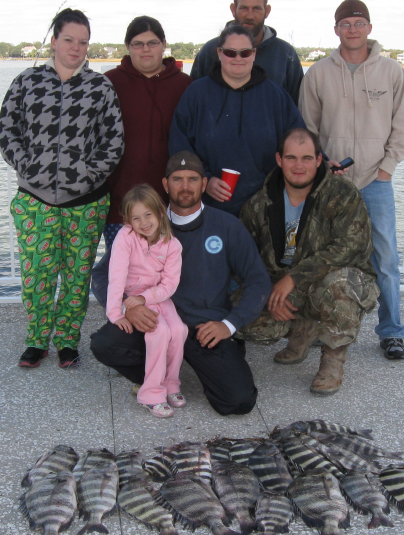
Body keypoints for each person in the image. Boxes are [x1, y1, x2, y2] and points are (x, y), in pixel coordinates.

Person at [90, 151, 271, 416]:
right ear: (165, 184)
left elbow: (258, 280)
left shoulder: (227, 226)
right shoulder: (144, 225)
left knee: (238, 401)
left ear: (204, 184)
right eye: (177, 179)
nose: (185, 186)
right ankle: (157, 379)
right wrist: (127, 307)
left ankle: (200, 367)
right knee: (105, 345)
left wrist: (229, 324)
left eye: (192, 179)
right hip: (153, 320)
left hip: (204, 327)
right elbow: (103, 274)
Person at [0, 8, 123, 369]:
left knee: (77, 274)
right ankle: (37, 340)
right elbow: (8, 131)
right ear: (54, 41)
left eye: (83, 42)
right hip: (35, 201)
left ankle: (68, 340)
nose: (76, 48)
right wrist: (29, 166)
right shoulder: (27, 81)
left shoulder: (100, 88)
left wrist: (86, 176)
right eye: (69, 39)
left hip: (86, 203)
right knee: (37, 274)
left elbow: (113, 143)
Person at [299, 0, 404, 360]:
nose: (352, 29)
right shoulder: (317, 73)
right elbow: (307, 128)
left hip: (376, 182)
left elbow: (403, 125)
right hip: (332, 183)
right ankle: (322, 324)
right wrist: (322, 164)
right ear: (336, 29)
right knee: (324, 255)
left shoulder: (392, 72)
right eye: (346, 23)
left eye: (359, 22)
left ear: (369, 28)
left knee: (386, 258)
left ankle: (391, 331)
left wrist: (386, 168)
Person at [238, 128, 378, 395]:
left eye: (306, 158)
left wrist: (293, 278)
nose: (298, 166)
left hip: (334, 281)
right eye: (291, 158)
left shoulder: (342, 194)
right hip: (285, 287)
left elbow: (350, 247)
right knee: (238, 322)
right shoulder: (258, 204)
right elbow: (245, 261)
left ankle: (333, 360)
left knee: (341, 284)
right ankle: (302, 329)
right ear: (279, 159)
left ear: (318, 160)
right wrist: (268, 292)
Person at [170, 24, 304, 217]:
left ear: (254, 54)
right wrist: (203, 179)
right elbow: (180, 145)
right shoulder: (197, 94)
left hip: (265, 208)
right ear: (219, 53)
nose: (238, 58)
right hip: (210, 208)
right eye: (231, 53)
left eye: (245, 52)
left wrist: (323, 161)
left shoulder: (275, 95)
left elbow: (298, 139)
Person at [102, 16, 193, 249]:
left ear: (163, 44)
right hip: (121, 208)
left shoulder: (185, 86)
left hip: (172, 207)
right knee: (127, 276)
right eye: (138, 44)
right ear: (127, 47)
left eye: (152, 43)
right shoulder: (109, 83)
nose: (145, 49)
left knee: (168, 275)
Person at [107, 185, 187, 419]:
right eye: (136, 218)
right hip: (134, 300)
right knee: (159, 331)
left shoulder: (172, 244)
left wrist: (147, 297)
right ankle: (151, 393)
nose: (143, 222)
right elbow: (116, 275)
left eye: (148, 214)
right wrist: (116, 312)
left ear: (160, 212)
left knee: (179, 330)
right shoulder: (126, 238)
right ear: (127, 220)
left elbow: (170, 284)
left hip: (159, 297)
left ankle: (171, 384)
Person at [190, 0, 304, 104]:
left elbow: (296, 109)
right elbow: (194, 102)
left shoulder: (286, 55)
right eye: (244, 8)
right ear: (233, 10)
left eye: (256, 8)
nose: (250, 16)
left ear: (267, 11)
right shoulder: (209, 51)